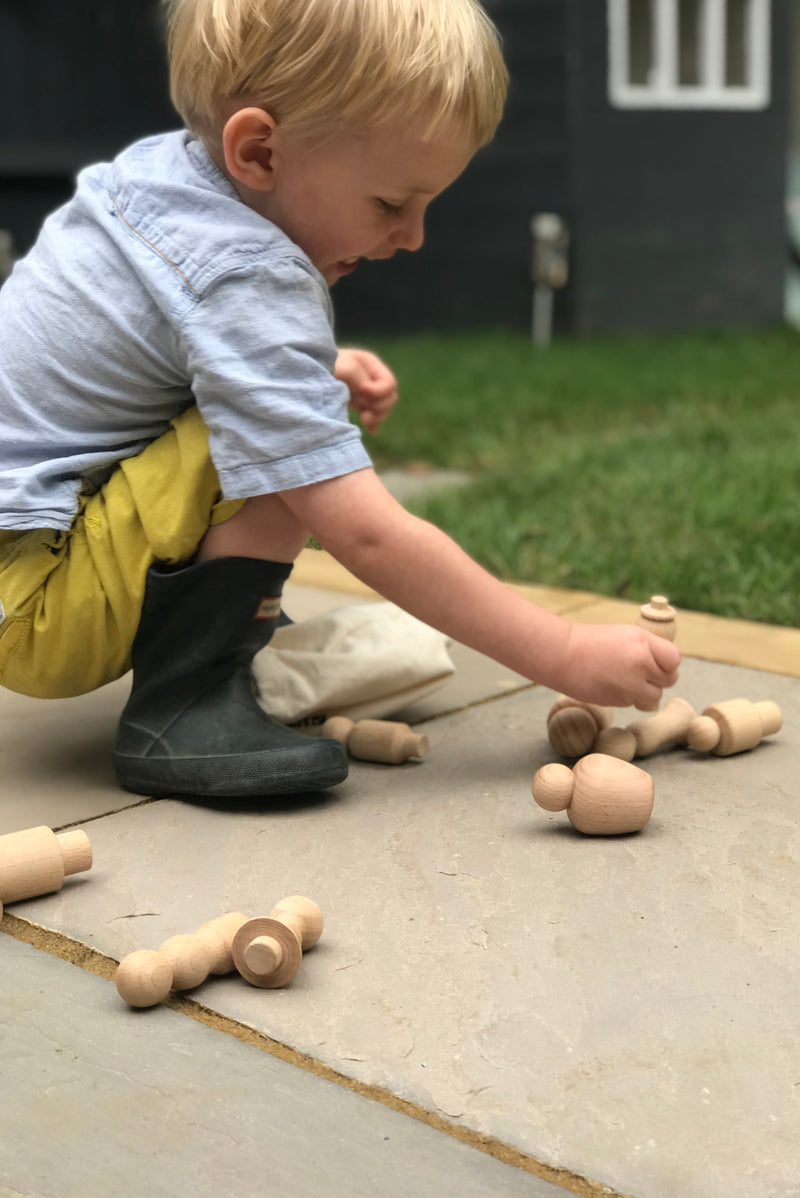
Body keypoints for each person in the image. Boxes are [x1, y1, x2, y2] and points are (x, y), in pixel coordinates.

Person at [0, 0, 679, 800]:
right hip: (35, 610)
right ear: (257, 151)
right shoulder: (246, 269)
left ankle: (225, 623)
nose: (414, 236)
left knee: (287, 412)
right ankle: (186, 698)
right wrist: (562, 651)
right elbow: (365, 530)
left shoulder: (161, 177)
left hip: (26, 556)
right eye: (392, 204)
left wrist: (311, 365)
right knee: (289, 449)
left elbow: (152, 334)